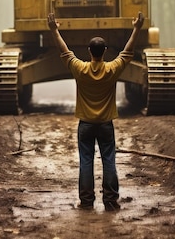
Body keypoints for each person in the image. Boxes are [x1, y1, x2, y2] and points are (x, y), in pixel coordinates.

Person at [47, 11, 144, 211]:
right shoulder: (111, 69)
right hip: (106, 125)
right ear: (105, 51)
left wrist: (54, 30)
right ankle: (110, 200)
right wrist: (136, 29)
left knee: (86, 161)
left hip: (86, 125)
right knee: (109, 160)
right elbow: (127, 52)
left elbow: (65, 52)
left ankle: (86, 201)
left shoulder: (80, 69)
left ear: (89, 51)